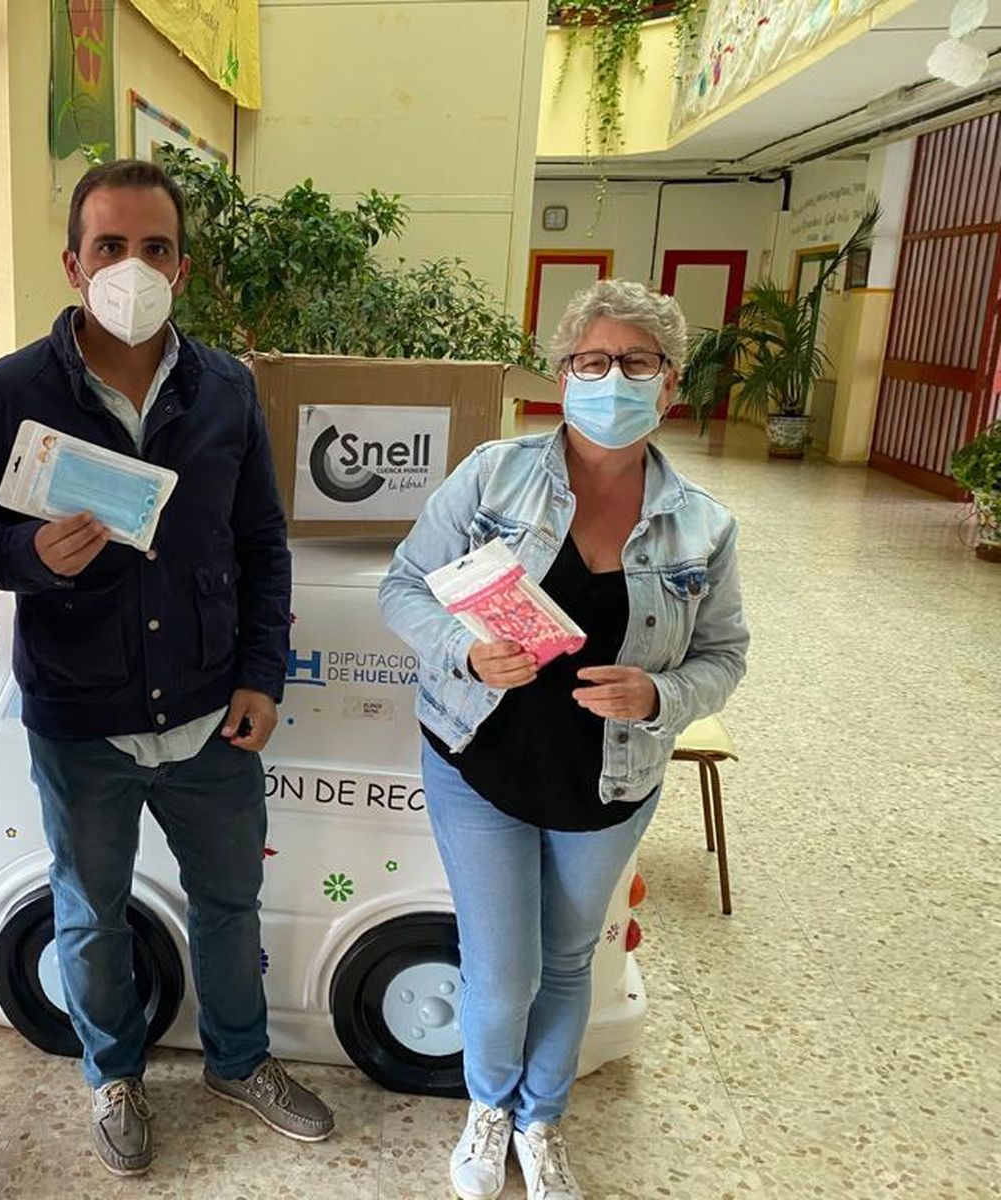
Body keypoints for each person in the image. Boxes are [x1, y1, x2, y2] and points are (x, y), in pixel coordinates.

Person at [0, 159, 333, 1176]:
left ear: (182, 266)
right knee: (90, 911)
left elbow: (262, 543)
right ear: (73, 264)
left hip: (211, 708)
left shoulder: (226, 389)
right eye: (110, 246)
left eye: (155, 248)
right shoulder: (11, 391)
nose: (133, 267)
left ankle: (239, 1061)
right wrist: (30, 555)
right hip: (82, 716)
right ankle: (111, 1075)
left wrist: (261, 676)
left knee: (229, 904)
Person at [378, 279, 749, 1200]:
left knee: (571, 958)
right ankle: (488, 1106)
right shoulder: (492, 476)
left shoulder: (704, 525)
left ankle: (541, 1119)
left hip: (610, 780)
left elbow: (725, 655)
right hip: (480, 759)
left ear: (670, 384)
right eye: (593, 361)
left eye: (637, 362)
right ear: (563, 374)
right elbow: (404, 587)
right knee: (503, 971)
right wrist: (466, 650)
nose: (612, 379)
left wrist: (660, 692)